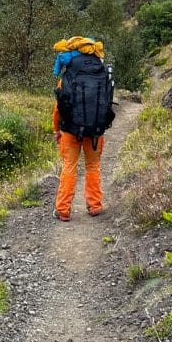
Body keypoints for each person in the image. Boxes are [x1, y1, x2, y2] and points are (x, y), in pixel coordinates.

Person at [51, 37, 111, 221]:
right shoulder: (101, 72)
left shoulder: (68, 75)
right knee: (93, 166)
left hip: (70, 130)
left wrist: (56, 130)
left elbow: (58, 107)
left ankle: (63, 210)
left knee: (69, 166)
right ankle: (95, 205)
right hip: (95, 130)